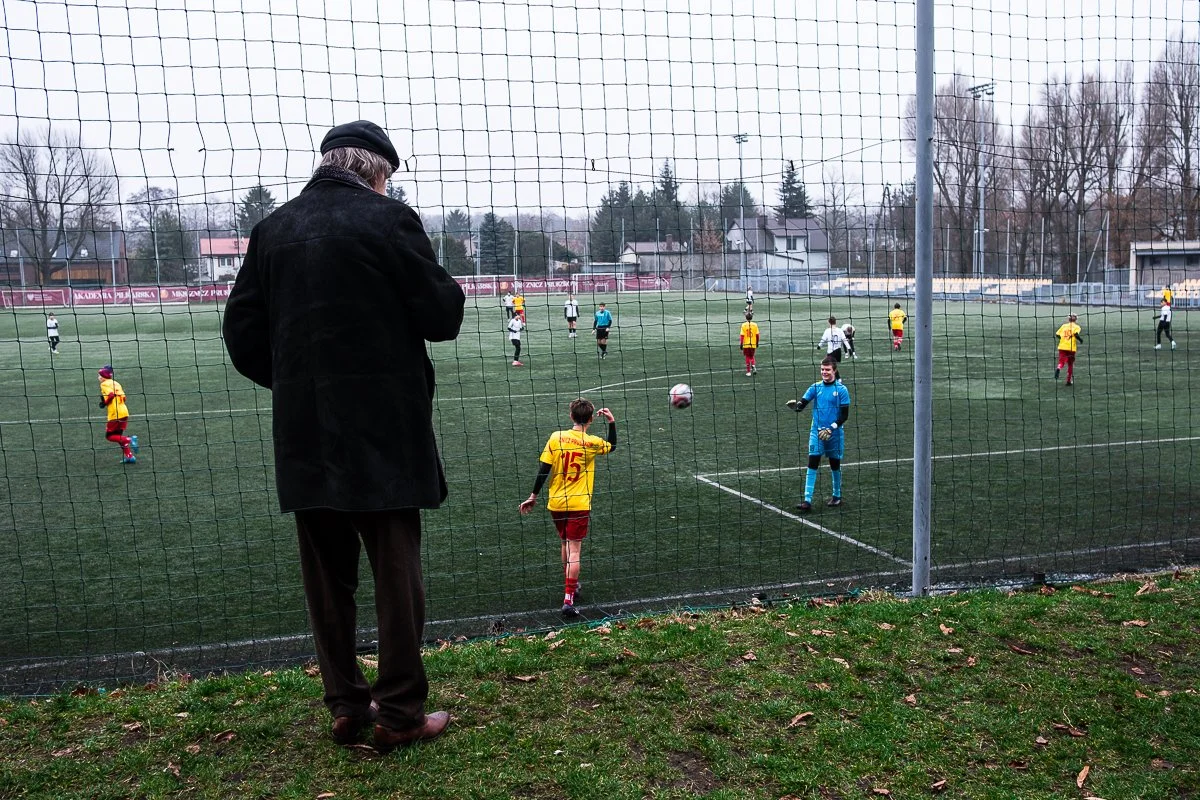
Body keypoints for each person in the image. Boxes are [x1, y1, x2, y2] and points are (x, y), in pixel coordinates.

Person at [222, 120, 466, 752]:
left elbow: (243, 335)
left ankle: (346, 705)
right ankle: (401, 713)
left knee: (327, 581)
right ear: (377, 172)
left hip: (306, 431)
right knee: (395, 577)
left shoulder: (273, 229)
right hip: (386, 430)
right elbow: (443, 318)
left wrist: (300, 385)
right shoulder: (389, 221)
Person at [518, 399, 616, 617]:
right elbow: (613, 446)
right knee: (575, 550)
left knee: (564, 543)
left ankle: (572, 585)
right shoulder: (592, 443)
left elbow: (544, 469)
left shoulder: (556, 437)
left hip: (557, 503)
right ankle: (568, 598)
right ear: (591, 419)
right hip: (579, 503)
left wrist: (533, 496)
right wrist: (611, 422)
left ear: (571, 416)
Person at [786, 357, 851, 512]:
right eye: (822, 369)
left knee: (835, 464)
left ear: (834, 370)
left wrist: (831, 428)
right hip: (817, 432)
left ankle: (837, 496)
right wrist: (796, 406)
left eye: (827, 370)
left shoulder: (842, 390)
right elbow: (803, 404)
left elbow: (844, 416)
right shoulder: (815, 387)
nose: (824, 372)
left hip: (834, 434)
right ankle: (807, 500)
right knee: (813, 461)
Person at [97, 364, 138, 464]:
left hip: (115, 413)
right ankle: (130, 457)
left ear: (104, 377)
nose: (98, 377)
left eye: (99, 376)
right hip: (124, 411)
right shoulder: (116, 383)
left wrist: (104, 403)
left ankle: (130, 439)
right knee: (119, 437)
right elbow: (124, 397)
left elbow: (111, 395)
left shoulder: (104, 384)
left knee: (110, 436)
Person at [1054, 312, 1083, 386]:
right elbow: (1076, 334)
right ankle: (1068, 381)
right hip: (1071, 348)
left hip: (1062, 346)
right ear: (1076, 319)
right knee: (1070, 364)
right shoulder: (1077, 327)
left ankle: (1058, 368)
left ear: (1068, 319)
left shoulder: (1064, 326)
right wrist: (1080, 340)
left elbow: (1057, 334)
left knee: (1061, 361)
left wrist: (1063, 339)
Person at [740, 311, 760, 376]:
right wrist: (757, 343)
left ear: (746, 318)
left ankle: (748, 372)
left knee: (747, 357)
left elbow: (742, 336)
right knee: (752, 356)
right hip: (753, 343)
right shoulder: (755, 325)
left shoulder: (743, 325)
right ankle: (753, 365)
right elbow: (757, 335)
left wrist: (741, 344)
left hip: (746, 344)